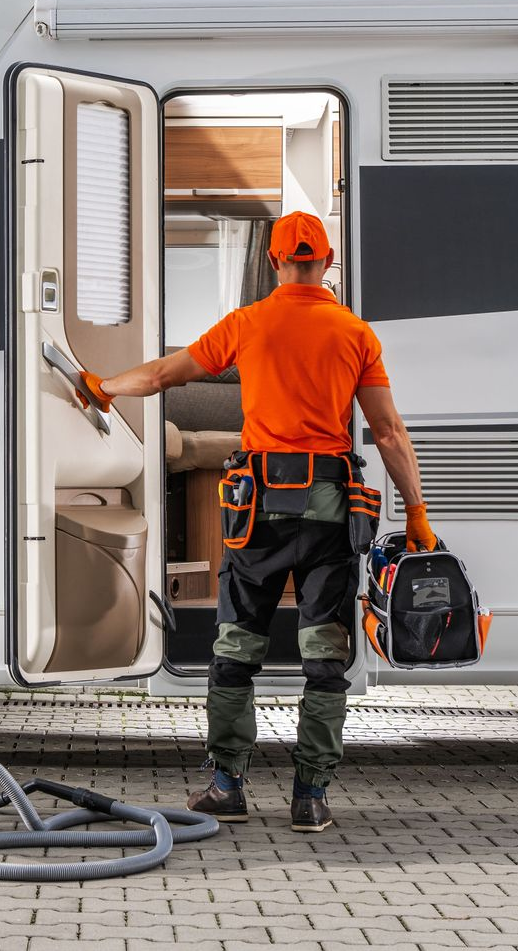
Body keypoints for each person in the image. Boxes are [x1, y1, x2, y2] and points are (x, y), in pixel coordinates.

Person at [80, 211, 433, 832]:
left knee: (236, 650)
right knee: (325, 655)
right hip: (330, 515)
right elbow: (387, 432)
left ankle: (226, 787)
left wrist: (104, 386)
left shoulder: (247, 323)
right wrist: (418, 513)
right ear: (327, 262)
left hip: (256, 516)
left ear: (274, 261)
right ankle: (311, 798)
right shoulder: (355, 334)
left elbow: (161, 376)